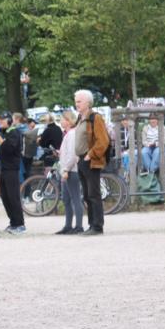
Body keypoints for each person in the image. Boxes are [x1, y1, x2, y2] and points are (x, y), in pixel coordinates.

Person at [73, 90, 110, 235]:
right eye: (76, 101)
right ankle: (91, 224)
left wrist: (91, 154)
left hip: (91, 160)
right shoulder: (80, 118)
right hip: (81, 159)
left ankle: (97, 226)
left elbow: (103, 140)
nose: (76, 104)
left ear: (88, 102)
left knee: (93, 194)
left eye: (79, 101)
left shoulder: (95, 118)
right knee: (87, 195)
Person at [0, 112, 25, 234]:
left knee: (13, 197)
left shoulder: (14, 132)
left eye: (3, 120)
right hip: (2, 169)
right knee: (5, 197)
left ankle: (20, 224)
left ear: (9, 121)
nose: (0, 122)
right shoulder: (4, 132)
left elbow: (9, 148)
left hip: (11, 170)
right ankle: (13, 223)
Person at [55, 110, 83, 235]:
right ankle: (68, 225)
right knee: (66, 199)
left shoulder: (72, 134)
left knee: (75, 198)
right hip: (66, 170)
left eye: (62, 119)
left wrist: (66, 169)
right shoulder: (67, 134)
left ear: (68, 121)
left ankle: (78, 226)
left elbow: (73, 154)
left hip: (71, 170)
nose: (60, 121)